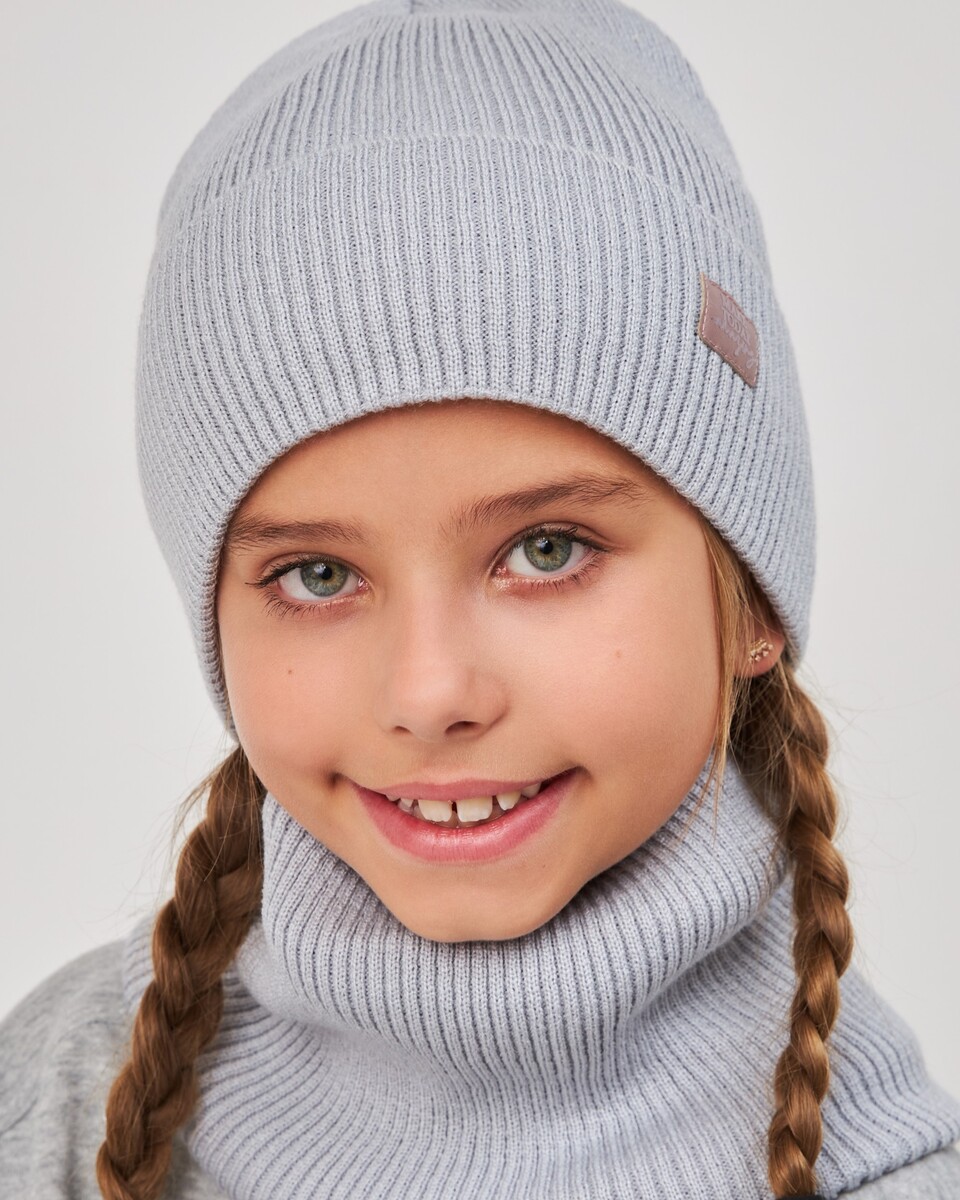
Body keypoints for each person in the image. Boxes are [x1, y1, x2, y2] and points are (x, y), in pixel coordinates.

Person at [1, 0, 958, 1197]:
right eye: (316, 574)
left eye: (548, 550)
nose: (429, 691)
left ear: (752, 600)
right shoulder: (59, 1100)